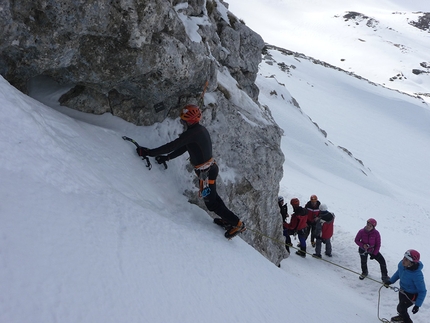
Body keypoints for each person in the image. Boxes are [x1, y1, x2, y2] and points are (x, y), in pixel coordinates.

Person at [136, 104, 245, 239]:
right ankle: (230, 220)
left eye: (184, 119)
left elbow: (173, 145)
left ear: (190, 120)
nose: (183, 121)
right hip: (210, 170)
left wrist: (148, 152)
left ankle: (237, 224)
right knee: (214, 197)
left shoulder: (192, 133)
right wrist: (167, 158)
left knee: (211, 204)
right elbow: (186, 147)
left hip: (206, 173)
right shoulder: (198, 131)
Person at [385, 250, 427, 323]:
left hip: (412, 295)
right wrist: (390, 281)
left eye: (406, 259)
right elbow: (398, 273)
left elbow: (422, 291)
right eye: (404, 257)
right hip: (402, 290)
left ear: (411, 263)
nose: (403, 260)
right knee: (400, 308)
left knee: (401, 308)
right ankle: (402, 317)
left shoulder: (417, 275)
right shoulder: (402, 265)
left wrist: (417, 305)